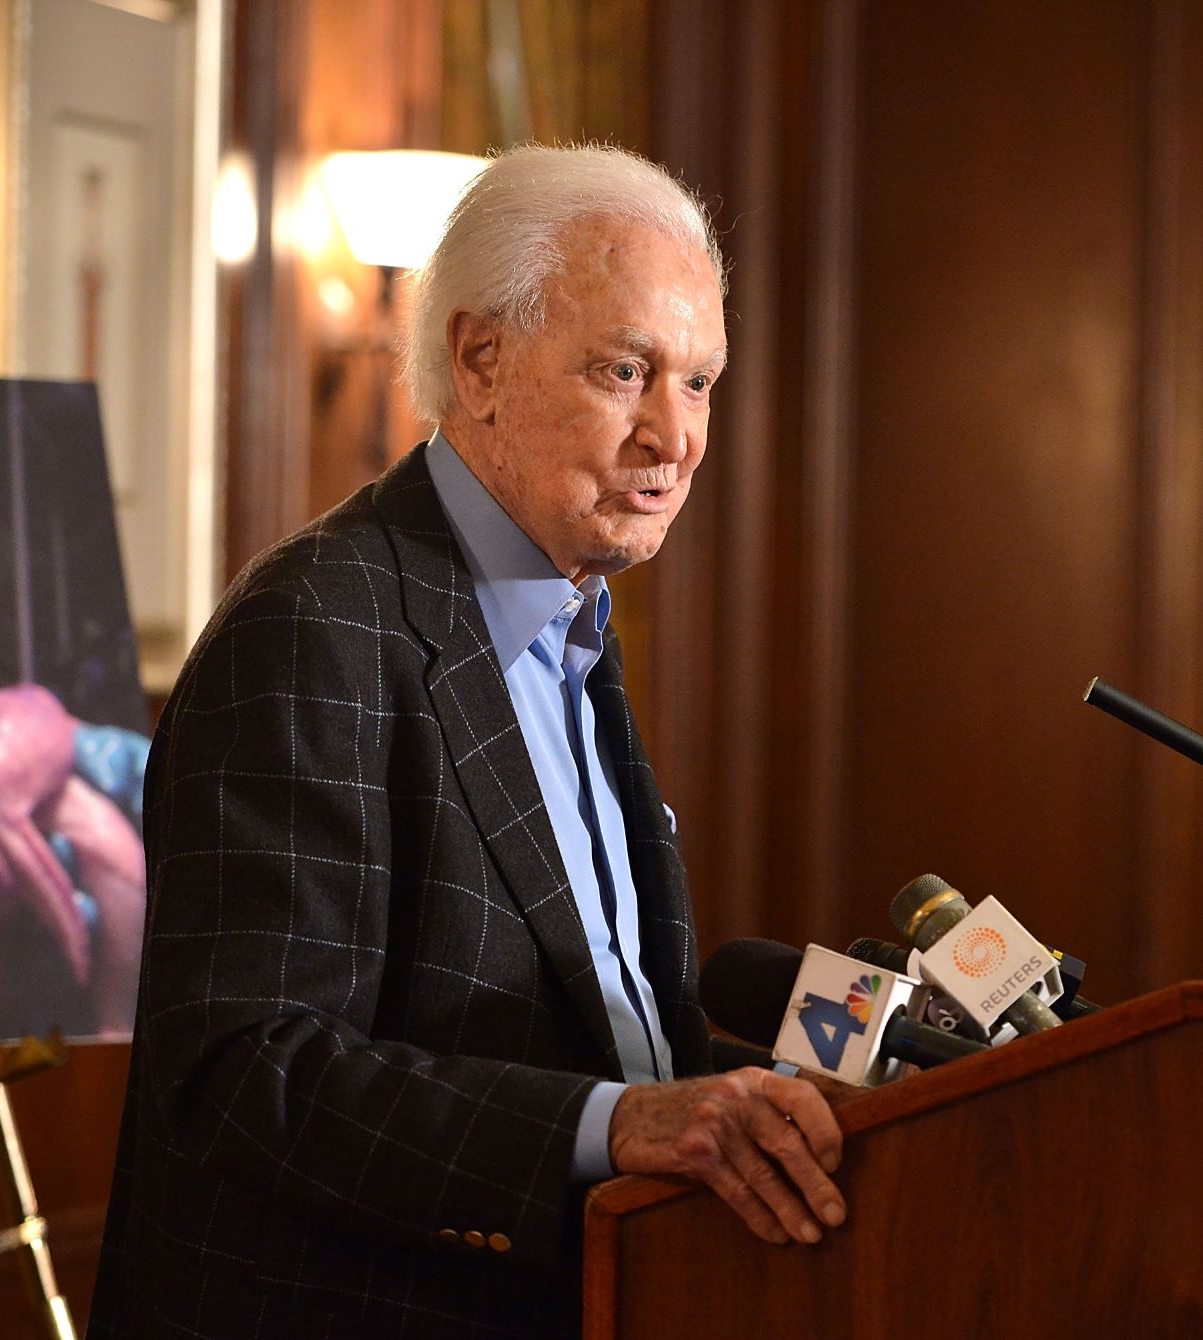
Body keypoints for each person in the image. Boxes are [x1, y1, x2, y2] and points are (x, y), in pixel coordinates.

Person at [90, 144, 846, 1338]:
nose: (675, 435)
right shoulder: (314, 626)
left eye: (698, 382)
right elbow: (249, 1070)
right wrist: (619, 1124)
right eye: (625, 370)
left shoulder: (569, 618)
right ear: (478, 359)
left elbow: (587, 1013)